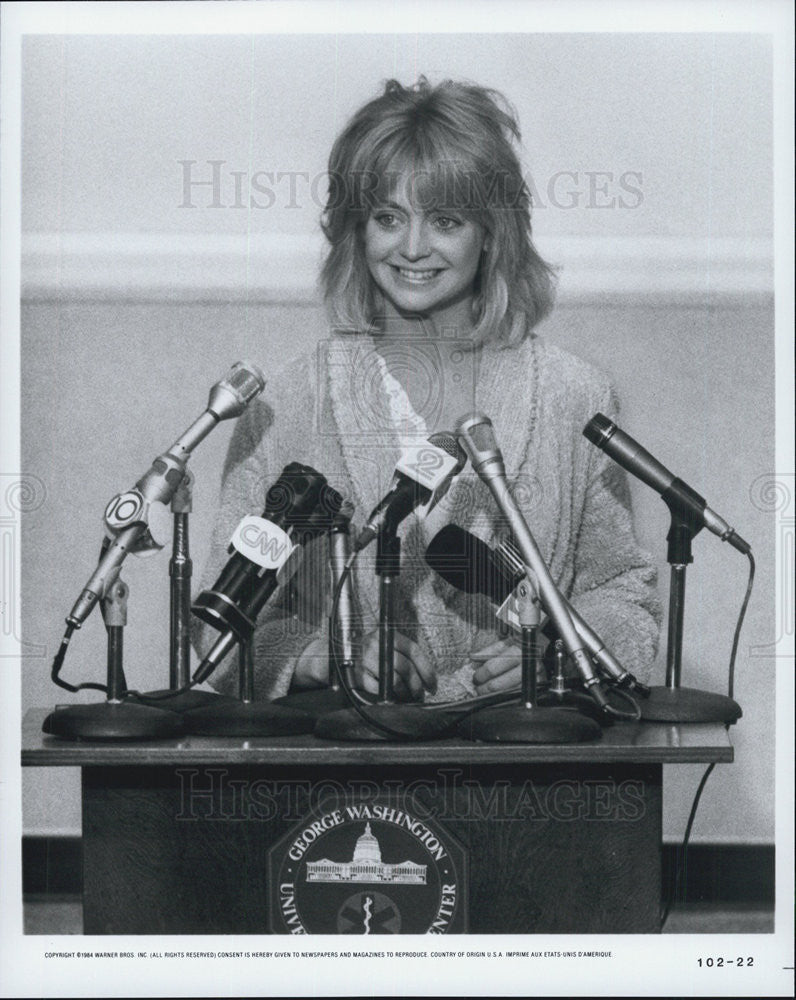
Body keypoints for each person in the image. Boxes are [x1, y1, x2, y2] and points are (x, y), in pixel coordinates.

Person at [193, 77, 661, 704]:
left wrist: (557, 656)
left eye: (445, 220)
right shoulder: (291, 403)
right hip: (346, 774)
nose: (413, 248)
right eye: (388, 217)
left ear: (492, 232)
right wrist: (326, 657)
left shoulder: (574, 396)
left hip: (529, 767)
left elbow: (621, 589)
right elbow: (218, 626)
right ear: (357, 230)